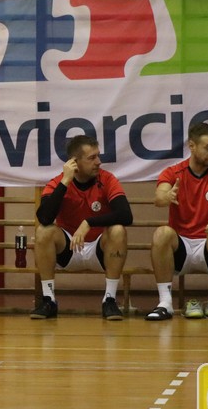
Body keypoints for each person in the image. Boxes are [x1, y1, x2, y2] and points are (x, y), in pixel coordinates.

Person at [30, 135, 132, 320]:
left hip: (100, 249)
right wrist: (65, 182)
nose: (98, 162)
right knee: (43, 231)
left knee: (118, 230)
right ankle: (48, 300)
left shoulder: (107, 179)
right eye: (92, 158)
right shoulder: (58, 182)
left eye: (98, 156)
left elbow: (126, 215)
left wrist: (89, 222)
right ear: (74, 163)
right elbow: (44, 217)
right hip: (68, 248)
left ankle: (109, 300)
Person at [146, 123, 208, 322]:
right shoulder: (173, 173)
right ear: (192, 146)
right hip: (181, 247)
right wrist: (167, 196)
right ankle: (165, 304)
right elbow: (159, 198)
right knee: (161, 233)